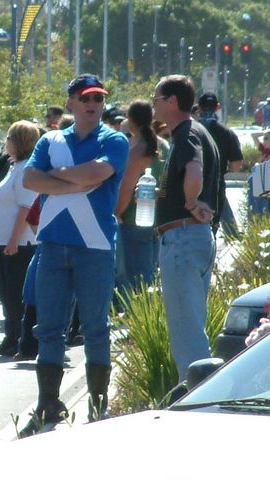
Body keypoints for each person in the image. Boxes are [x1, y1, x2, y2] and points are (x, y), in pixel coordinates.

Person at [21, 73, 128, 434]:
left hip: (95, 247)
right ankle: (47, 403)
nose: (92, 104)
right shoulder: (50, 140)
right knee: (49, 328)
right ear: (71, 102)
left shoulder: (114, 139)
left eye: (98, 98)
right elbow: (30, 180)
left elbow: (98, 172)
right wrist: (77, 180)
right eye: (85, 98)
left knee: (96, 328)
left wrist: (56, 177)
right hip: (53, 245)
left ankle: (98, 405)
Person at [152, 74, 219, 382]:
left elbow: (194, 170)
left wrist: (191, 203)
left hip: (183, 237)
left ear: (172, 101)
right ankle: (200, 393)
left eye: (156, 100)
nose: (153, 106)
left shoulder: (186, 133)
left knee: (187, 336)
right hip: (193, 237)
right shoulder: (198, 131)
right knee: (192, 327)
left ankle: (195, 398)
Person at [0, 120, 40, 357]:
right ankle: (11, 336)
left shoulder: (27, 169)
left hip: (18, 245)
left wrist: (13, 241)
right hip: (4, 243)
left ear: (18, 142)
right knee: (6, 294)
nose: (5, 142)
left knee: (15, 294)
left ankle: (19, 338)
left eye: (8, 138)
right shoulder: (13, 167)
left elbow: (26, 208)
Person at [114, 99, 162, 291]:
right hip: (155, 220)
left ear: (131, 120)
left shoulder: (136, 152)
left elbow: (126, 190)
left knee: (136, 280)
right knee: (150, 276)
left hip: (134, 219)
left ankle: (140, 311)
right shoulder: (159, 147)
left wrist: (116, 213)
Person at [197, 93, 243, 238]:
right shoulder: (227, 133)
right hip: (215, 188)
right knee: (211, 230)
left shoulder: (191, 130)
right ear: (218, 107)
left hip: (190, 187)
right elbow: (236, 165)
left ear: (198, 108)